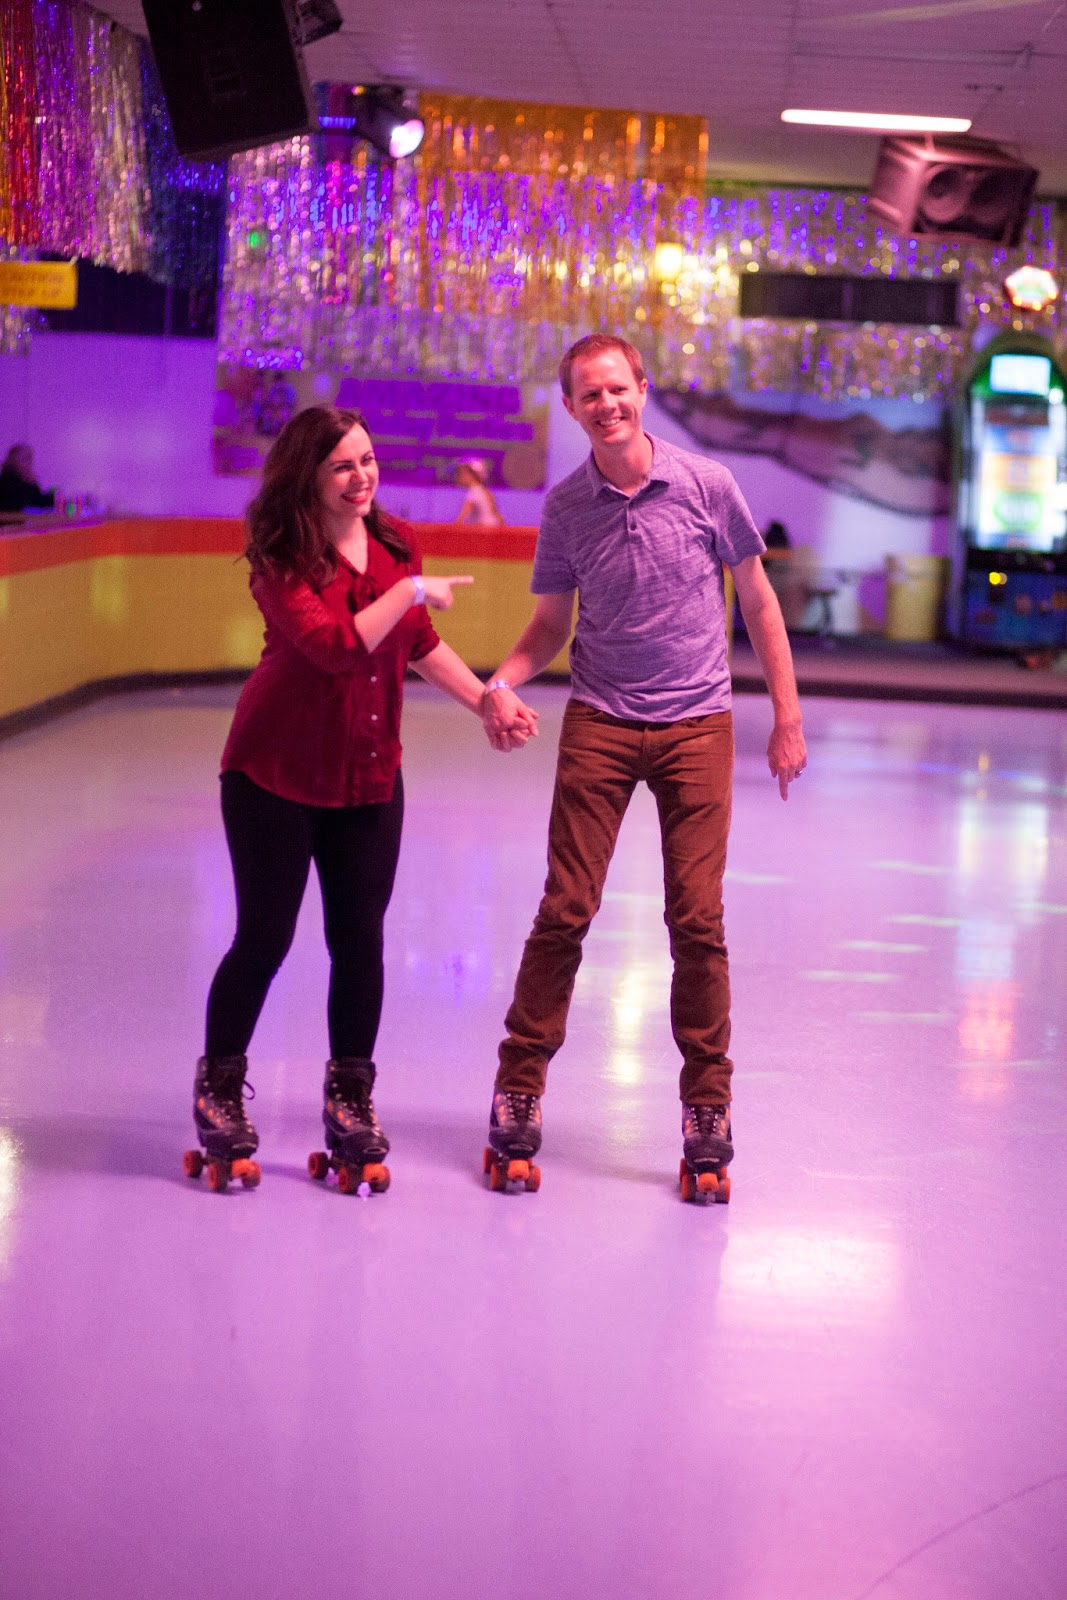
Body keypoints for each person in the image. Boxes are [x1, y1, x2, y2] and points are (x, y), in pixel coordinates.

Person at [479, 333, 806, 1197]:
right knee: (565, 910)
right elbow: (549, 627)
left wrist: (786, 717)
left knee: (696, 922)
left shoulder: (707, 486)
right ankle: (517, 1091)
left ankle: (707, 1108)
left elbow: (760, 603)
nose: (607, 405)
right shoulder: (567, 507)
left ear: (642, 389)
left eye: (617, 389)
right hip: (600, 720)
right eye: (589, 395)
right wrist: (500, 682)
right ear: (572, 406)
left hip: (697, 724)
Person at [187, 404, 535, 1190]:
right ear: (307, 476)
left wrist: (486, 699)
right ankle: (218, 1092)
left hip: (369, 774)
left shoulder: (393, 541)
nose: (362, 476)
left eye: (368, 460)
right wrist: (410, 589)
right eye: (343, 465)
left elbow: (414, 644)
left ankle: (350, 1098)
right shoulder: (281, 556)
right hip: (273, 775)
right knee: (264, 939)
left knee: (361, 941)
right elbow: (337, 648)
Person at [0, 444, 55, 513]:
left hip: (23, 519)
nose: (29, 463)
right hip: (11, 520)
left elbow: (37, 499)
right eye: (24, 459)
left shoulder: (24, 478)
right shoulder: (8, 480)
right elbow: (31, 501)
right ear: (14, 461)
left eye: (30, 459)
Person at [454, 457, 503, 526]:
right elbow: (499, 517)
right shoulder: (485, 491)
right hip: (493, 530)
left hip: (484, 533)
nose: (458, 477)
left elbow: (461, 518)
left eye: (460, 473)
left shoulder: (473, 493)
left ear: (469, 475)